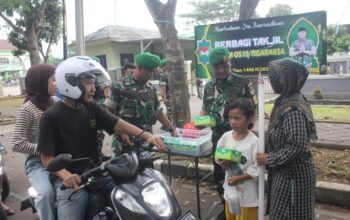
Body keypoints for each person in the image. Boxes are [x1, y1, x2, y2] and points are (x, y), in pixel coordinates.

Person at [37, 56, 165, 220]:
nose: (93, 88)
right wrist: (65, 175)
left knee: (129, 201)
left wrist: (147, 135)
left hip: (96, 172)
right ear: (70, 83)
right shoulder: (51, 116)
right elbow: (46, 158)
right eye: (88, 83)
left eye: (93, 82)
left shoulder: (90, 107)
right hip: (72, 180)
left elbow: (117, 123)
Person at [199, 47, 256, 220]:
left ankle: (243, 208)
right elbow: (204, 110)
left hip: (239, 139)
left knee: (240, 173)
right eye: (217, 67)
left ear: (230, 63)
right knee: (220, 176)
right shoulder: (209, 86)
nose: (222, 70)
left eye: (225, 66)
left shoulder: (242, 82)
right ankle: (228, 208)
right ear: (212, 67)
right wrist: (196, 124)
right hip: (219, 141)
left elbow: (253, 109)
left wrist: (250, 132)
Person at [256, 58, 317, 220]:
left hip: (293, 176)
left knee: (290, 214)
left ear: (286, 78)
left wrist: (270, 158)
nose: (271, 80)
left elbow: (298, 145)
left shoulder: (293, 108)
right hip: (285, 172)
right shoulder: (287, 99)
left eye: (274, 76)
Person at [104, 53, 176, 157]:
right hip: (125, 144)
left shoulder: (150, 88)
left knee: (147, 172)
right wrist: (121, 133)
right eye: (149, 71)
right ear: (138, 67)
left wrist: (171, 128)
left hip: (146, 143)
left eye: (153, 71)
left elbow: (158, 112)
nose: (151, 74)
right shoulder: (119, 85)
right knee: (125, 172)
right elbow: (108, 112)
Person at [11, 64, 58, 220]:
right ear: (40, 82)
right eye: (53, 80)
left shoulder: (56, 102)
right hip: (37, 164)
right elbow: (16, 143)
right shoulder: (28, 109)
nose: (56, 84)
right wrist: (44, 148)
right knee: (46, 193)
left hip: (60, 159)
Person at [216, 98, 258, 220]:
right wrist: (223, 163)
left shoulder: (254, 142)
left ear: (249, 119)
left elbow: (258, 169)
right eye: (230, 118)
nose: (233, 122)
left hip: (247, 195)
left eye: (237, 118)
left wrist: (240, 178)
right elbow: (218, 157)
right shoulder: (226, 137)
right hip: (231, 193)